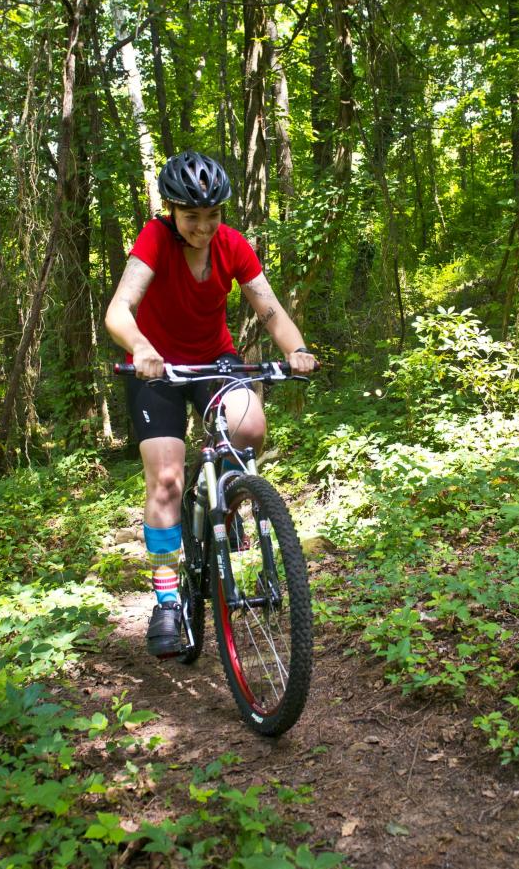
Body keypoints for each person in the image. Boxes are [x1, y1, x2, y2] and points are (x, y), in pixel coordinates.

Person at [104, 150, 317, 657]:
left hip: (213, 358)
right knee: (166, 479)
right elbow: (119, 310)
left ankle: (221, 496)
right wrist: (141, 347)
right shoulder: (155, 239)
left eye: (212, 215)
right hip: (155, 366)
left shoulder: (232, 245)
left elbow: (270, 310)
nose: (203, 227)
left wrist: (297, 350)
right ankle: (166, 599)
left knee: (249, 427)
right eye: (191, 216)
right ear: (172, 212)